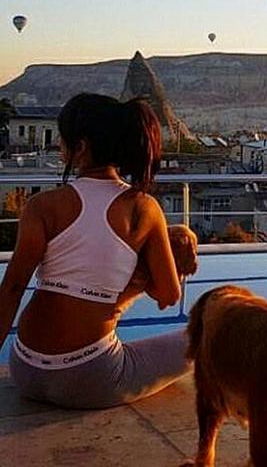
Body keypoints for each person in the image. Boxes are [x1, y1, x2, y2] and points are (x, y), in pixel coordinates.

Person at [0, 93, 197, 409]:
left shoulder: (42, 207)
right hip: (93, 377)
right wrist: (141, 261)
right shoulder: (143, 208)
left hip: (26, 368)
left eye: (63, 139)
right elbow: (168, 295)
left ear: (80, 148)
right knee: (201, 337)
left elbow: (11, 289)